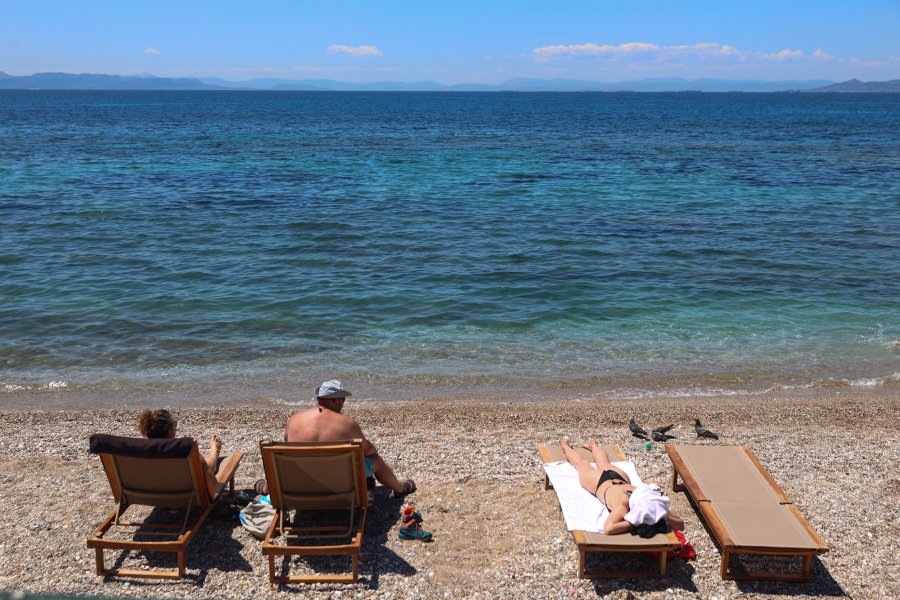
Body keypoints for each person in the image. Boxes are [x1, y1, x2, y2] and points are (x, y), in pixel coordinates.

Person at [283, 380, 416, 499]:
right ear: (337, 402)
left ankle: (264, 487)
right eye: (343, 401)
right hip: (339, 484)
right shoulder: (347, 424)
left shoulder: (293, 421)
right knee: (375, 460)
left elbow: (286, 455)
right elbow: (368, 451)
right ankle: (400, 489)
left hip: (303, 485)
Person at [561, 438, 684, 535]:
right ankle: (568, 446)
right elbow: (681, 525)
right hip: (601, 483)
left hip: (617, 479)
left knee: (598, 461)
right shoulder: (634, 505)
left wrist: (635, 520)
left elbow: (608, 529)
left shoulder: (649, 502)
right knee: (582, 463)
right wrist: (663, 516)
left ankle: (591, 445)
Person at [138, 409, 224, 500]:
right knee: (204, 467)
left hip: (157, 492)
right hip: (187, 494)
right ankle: (214, 454)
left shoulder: (140, 452)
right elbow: (213, 483)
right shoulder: (183, 449)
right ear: (169, 432)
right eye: (174, 424)